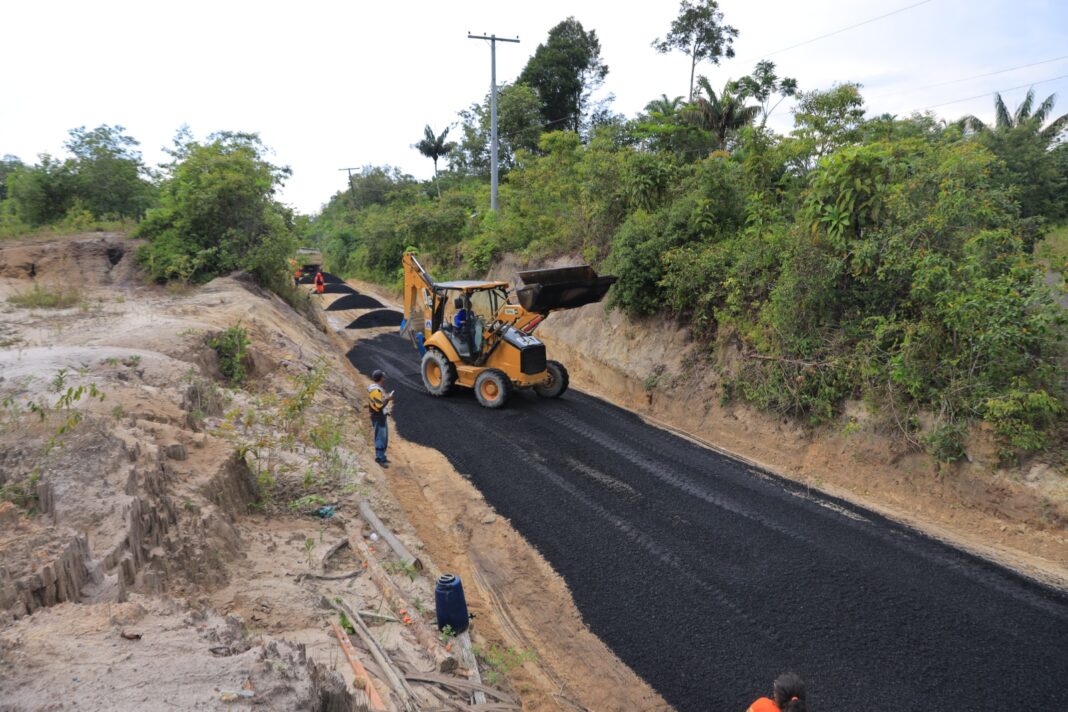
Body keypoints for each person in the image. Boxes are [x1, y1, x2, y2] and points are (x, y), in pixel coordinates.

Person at [367, 369, 394, 466]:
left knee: (384, 437)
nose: (384, 378)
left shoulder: (377, 388)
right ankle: (379, 458)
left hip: (381, 416)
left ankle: (383, 456)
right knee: (380, 438)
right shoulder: (376, 391)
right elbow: (379, 406)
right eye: (383, 377)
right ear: (380, 378)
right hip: (378, 417)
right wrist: (388, 399)